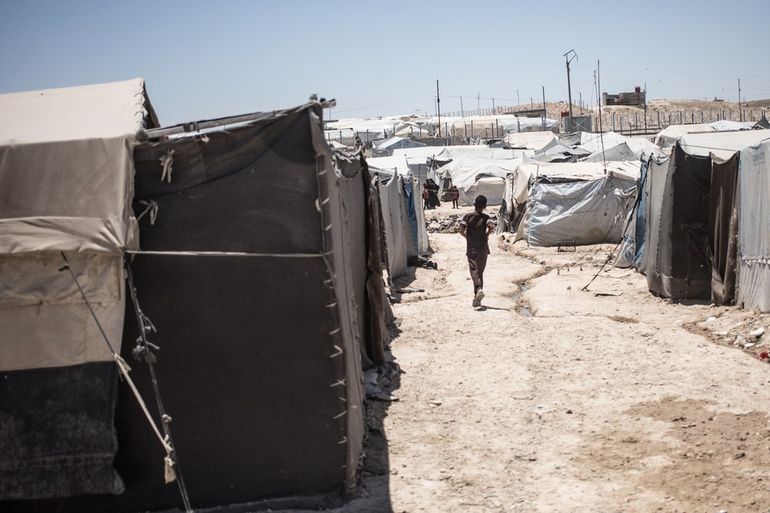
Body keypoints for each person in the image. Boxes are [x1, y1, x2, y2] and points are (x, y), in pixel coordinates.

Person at [458, 195, 495, 307]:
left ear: (474, 205)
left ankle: (478, 289)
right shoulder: (486, 217)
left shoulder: (467, 216)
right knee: (480, 272)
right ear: (484, 206)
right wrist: (486, 235)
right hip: (483, 247)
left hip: (472, 248)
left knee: (474, 270)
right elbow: (491, 226)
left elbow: (460, 229)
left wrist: (467, 237)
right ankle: (477, 298)